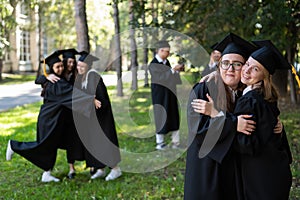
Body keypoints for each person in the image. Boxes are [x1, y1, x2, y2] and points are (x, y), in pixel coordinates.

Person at [184, 33, 258, 200]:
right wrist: (233, 124)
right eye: (225, 63)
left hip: (232, 167)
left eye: (236, 64)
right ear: (219, 66)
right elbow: (199, 130)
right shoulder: (203, 90)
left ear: (244, 68)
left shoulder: (245, 95)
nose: (230, 69)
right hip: (206, 167)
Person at [6, 51, 97, 182]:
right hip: (49, 120)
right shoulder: (56, 82)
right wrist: (90, 99)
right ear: (52, 69)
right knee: (43, 146)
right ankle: (14, 145)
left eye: (61, 66)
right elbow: (72, 93)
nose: (60, 69)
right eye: (57, 67)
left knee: (50, 146)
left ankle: (46, 174)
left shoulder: (55, 80)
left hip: (54, 119)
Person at [232, 40, 292, 199]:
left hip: (260, 177)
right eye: (247, 64)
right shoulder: (268, 97)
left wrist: (227, 124)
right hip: (275, 171)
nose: (247, 70)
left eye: (255, 69)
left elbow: (246, 145)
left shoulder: (249, 101)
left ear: (264, 76)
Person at [73, 51, 122, 181]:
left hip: (101, 118)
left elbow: (101, 100)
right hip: (90, 118)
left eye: (82, 66)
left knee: (104, 142)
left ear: (88, 66)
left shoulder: (93, 76)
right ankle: (100, 168)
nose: (79, 68)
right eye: (78, 66)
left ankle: (115, 169)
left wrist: (90, 100)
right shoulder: (80, 77)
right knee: (93, 143)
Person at [148, 40, 184, 150]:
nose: (167, 53)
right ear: (159, 51)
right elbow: (160, 79)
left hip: (170, 94)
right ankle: (160, 142)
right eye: (166, 51)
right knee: (161, 116)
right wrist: (173, 70)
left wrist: (177, 72)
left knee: (173, 115)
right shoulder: (153, 64)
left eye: (168, 51)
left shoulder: (166, 62)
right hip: (160, 96)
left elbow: (171, 78)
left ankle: (175, 142)